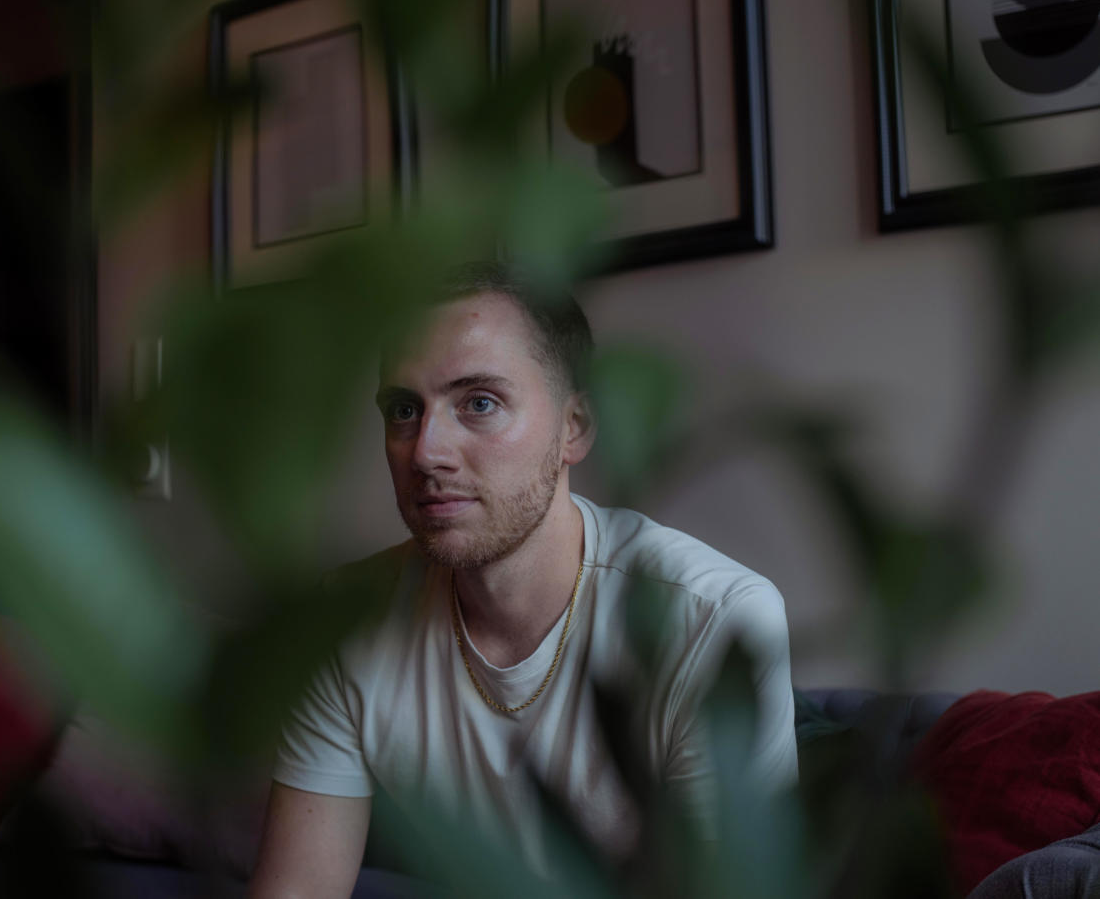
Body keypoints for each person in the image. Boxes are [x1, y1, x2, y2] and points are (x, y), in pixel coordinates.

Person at [248, 262, 797, 898]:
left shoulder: (712, 618)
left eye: (479, 402)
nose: (426, 451)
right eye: (403, 409)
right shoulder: (343, 620)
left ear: (575, 428)